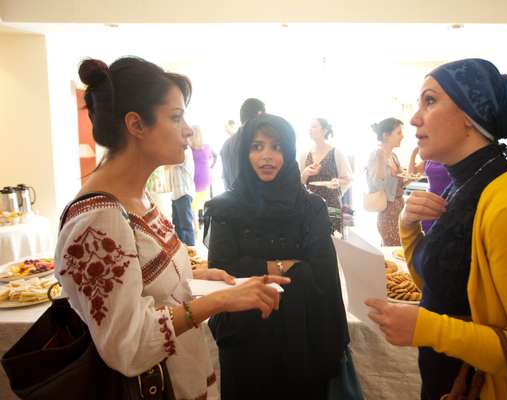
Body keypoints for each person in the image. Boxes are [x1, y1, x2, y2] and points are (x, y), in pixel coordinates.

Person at [55, 57, 289, 400]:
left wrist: (192, 279)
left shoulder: (139, 197)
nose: (188, 130)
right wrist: (220, 302)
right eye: (176, 117)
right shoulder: (98, 220)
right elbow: (129, 346)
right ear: (136, 124)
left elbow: (144, 287)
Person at [365, 58, 507, 400]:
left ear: (469, 117)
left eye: (429, 101)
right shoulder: (463, 185)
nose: (415, 118)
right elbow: (442, 288)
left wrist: (426, 327)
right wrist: (409, 228)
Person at [204, 114, 350, 400]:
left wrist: (251, 268)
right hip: (245, 342)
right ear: (244, 152)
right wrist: (288, 266)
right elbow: (222, 274)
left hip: (303, 341)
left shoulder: (311, 207)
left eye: (277, 147)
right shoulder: (225, 208)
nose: (267, 156)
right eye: (257, 147)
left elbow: (322, 273)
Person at [299, 118, 353, 234]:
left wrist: (337, 182)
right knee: (311, 239)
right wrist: (305, 173)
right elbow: (298, 183)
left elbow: (348, 179)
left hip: (332, 204)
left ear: (324, 130)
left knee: (334, 240)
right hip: (310, 205)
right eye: (309, 127)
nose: (310, 129)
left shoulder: (336, 153)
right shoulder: (305, 154)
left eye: (313, 126)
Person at [365, 117, 406, 246]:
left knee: (399, 249)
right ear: (386, 135)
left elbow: (401, 184)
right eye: (399, 133)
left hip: (399, 208)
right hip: (388, 212)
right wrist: (381, 161)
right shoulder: (376, 155)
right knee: (392, 251)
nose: (402, 136)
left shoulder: (393, 156)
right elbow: (376, 186)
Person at [220, 98, 265, 190]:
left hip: (231, 198)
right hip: (253, 200)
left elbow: (225, 177)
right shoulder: (256, 143)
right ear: (259, 114)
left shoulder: (226, 144)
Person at [407, 147, 451, 233]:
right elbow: (411, 174)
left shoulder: (451, 154)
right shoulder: (429, 157)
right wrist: (413, 153)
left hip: (447, 200)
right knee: (427, 233)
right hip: (429, 201)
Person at [169, 141, 196, 245]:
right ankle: (182, 251)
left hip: (184, 193)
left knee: (186, 226)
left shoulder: (185, 150)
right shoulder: (177, 148)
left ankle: (191, 253)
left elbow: (170, 163)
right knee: (177, 225)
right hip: (176, 194)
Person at [190, 125, 217, 226]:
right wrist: (211, 167)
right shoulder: (207, 147)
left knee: (194, 206)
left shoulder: (189, 150)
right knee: (204, 201)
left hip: (194, 183)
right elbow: (215, 156)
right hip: (206, 181)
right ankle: (203, 220)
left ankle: (197, 226)